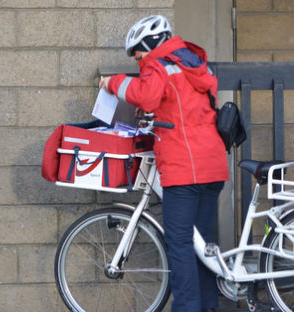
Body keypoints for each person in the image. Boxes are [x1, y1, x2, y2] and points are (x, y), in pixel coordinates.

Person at [99, 15, 229, 312]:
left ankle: (186, 308)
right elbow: (179, 106)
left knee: (180, 242)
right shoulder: (195, 64)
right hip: (212, 165)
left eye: (137, 52)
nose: (136, 60)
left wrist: (111, 83)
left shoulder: (160, 65)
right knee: (202, 243)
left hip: (185, 168)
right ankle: (208, 305)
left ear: (149, 45)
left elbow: (146, 96)